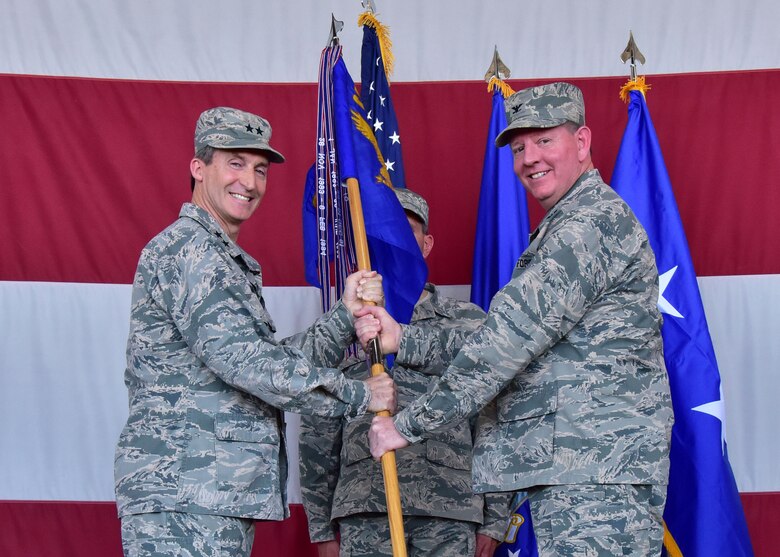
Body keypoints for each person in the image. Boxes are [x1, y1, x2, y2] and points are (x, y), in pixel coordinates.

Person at [356, 83, 674, 556]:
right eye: (520, 147)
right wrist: (405, 337)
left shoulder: (587, 224)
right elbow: (513, 330)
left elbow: (507, 342)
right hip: (582, 466)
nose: (529, 158)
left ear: (582, 142)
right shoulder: (568, 224)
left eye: (545, 140)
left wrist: (408, 425)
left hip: (595, 472)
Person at [114, 106, 396, 557]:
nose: (249, 182)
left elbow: (262, 358)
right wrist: (362, 396)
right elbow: (249, 364)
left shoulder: (219, 257)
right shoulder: (191, 252)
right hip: (186, 492)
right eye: (235, 163)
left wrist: (345, 315)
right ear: (198, 168)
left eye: (260, 169)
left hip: (207, 491)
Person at [298, 188, 511, 557]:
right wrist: (320, 528)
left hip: (449, 510)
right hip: (364, 508)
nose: (391, 241)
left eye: (404, 231)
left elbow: (494, 422)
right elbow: (318, 433)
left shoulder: (468, 322)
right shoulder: (339, 327)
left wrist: (495, 519)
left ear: (426, 243)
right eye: (379, 233)